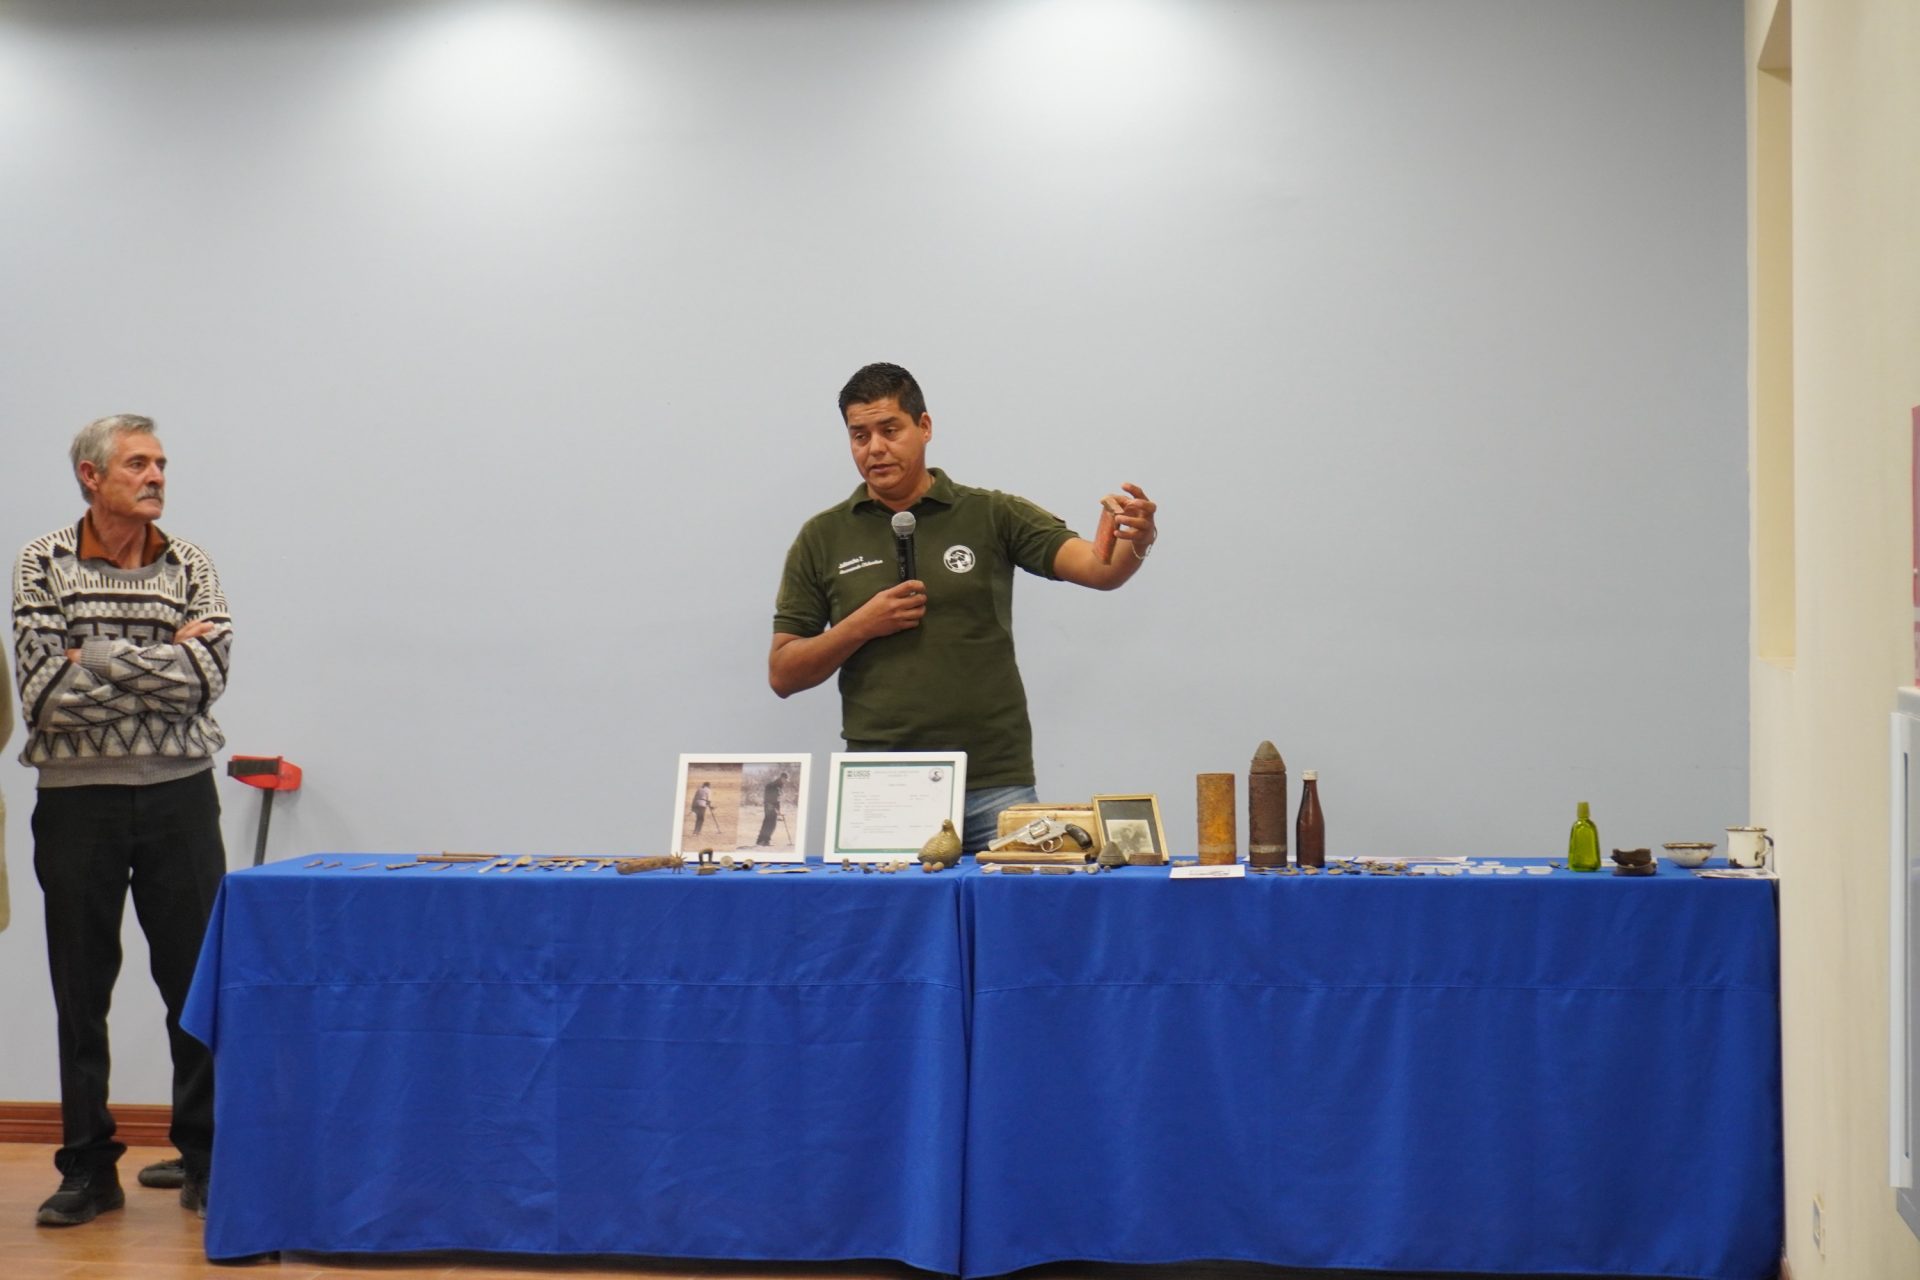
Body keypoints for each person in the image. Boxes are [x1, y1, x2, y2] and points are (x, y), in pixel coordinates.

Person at [769, 364, 1158, 853]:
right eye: (859, 435)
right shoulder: (822, 536)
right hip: (883, 786)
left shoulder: (992, 514)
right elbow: (783, 673)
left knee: (1014, 904)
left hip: (994, 782)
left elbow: (1100, 569)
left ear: (924, 426)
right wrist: (860, 626)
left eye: (890, 430)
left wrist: (1136, 540)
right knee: (885, 907)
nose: (875, 448)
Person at [13, 415, 232, 1227]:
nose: (156, 476)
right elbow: (43, 696)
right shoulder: (43, 563)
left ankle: (205, 1156)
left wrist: (94, 654)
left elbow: (206, 679)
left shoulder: (191, 563)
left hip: (180, 794)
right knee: (81, 986)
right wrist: (161, 659)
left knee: (195, 982)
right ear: (90, 475)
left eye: (160, 463)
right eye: (138, 463)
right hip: (78, 801)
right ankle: (87, 1167)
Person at [755, 770, 786, 847]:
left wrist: (778, 810)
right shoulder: (774, 785)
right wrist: (769, 804)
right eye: (785, 779)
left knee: (768, 823)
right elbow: (770, 797)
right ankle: (764, 841)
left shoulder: (778, 785)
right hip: (770, 806)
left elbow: (777, 799)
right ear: (782, 778)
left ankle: (762, 840)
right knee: (770, 824)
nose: (785, 781)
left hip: (771, 806)